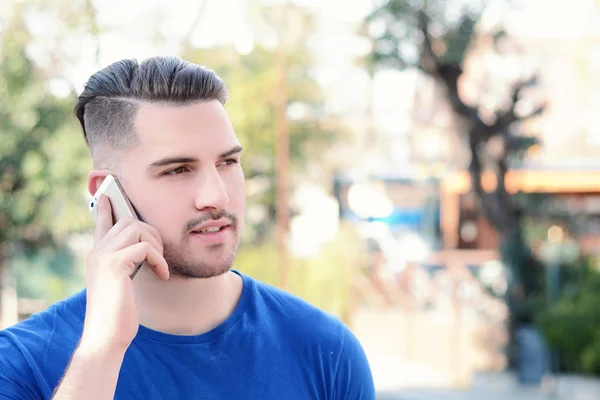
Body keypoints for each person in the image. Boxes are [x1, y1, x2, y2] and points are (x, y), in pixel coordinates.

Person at [0, 56, 375, 399]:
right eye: (177, 170)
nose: (216, 196)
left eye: (227, 162)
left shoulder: (325, 350)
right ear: (107, 194)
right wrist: (104, 347)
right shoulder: (19, 366)